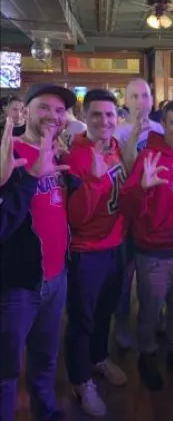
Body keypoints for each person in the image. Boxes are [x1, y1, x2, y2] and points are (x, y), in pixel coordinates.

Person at [0, 83, 77, 421]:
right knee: (6, 370)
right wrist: (30, 175)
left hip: (57, 276)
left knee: (46, 358)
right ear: (25, 110)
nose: (53, 116)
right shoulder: (8, 153)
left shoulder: (58, 152)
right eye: (44, 108)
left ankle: (45, 412)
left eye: (60, 111)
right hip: (19, 285)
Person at [120, 99, 173, 391]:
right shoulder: (149, 156)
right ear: (163, 125)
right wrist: (141, 188)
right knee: (151, 311)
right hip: (153, 253)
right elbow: (127, 207)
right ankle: (147, 355)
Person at [64, 89, 127, 418]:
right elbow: (76, 217)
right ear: (84, 117)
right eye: (97, 114)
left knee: (105, 312)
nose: (104, 121)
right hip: (86, 252)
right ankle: (79, 379)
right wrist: (94, 181)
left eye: (109, 114)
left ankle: (98, 357)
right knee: (82, 319)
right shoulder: (76, 156)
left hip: (116, 246)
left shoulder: (114, 146)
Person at [113, 78, 163, 350]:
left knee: (153, 272)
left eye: (144, 96)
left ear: (151, 100)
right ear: (126, 101)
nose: (140, 102)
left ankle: (154, 319)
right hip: (129, 212)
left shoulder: (160, 129)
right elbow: (128, 169)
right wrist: (134, 134)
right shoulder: (118, 132)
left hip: (155, 213)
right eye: (134, 96)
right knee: (125, 273)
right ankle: (121, 322)